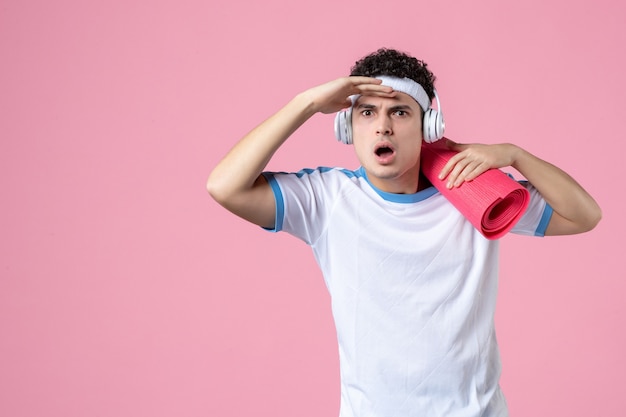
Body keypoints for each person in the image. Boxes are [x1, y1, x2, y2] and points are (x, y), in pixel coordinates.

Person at [206, 48, 601, 417]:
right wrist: (306, 103)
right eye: (366, 113)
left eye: (399, 113)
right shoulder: (326, 200)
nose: (382, 127)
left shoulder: (473, 192)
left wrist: (515, 154)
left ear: (429, 126)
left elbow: (584, 215)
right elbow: (225, 186)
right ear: (346, 127)